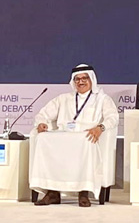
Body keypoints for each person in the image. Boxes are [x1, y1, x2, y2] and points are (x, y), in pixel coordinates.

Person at [31, 64, 119, 207]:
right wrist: (41, 123)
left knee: (87, 140)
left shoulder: (102, 99)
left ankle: (83, 192)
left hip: (86, 135)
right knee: (42, 138)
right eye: (77, 79)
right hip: (64, 134)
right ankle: (52, 192)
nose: (81, 82)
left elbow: (113, 117)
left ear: (91, 80)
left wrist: (100, 128)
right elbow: (43, 114)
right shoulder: (63, 98)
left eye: (84, 78)